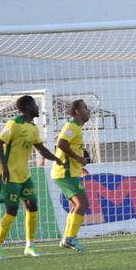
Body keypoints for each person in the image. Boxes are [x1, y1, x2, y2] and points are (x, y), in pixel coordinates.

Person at [0, 95, 63, 260]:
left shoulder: (33, 128)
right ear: (28, 106)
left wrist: (56, 159)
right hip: (9, 174)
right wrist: (5, 168)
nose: (38, 108)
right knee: (12, 210)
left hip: (24, 175)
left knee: (32, 206)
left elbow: (41, 149)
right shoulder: (13, 124)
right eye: (35, 105)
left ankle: (30, 246)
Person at [52, 99, 92, 251]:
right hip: (64, 172)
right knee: (82, 204)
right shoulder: (72, 126)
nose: (88, 110)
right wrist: (78, 158)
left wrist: (79, 167)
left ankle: (67, 238)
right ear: (78, 112)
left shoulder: (77, 128)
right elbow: (61, 143)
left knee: (77, 205)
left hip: (69, 172)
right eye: (85, 108)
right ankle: (70, 238)